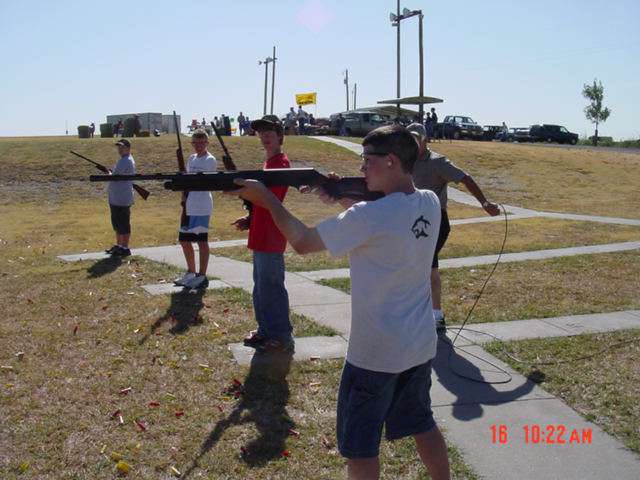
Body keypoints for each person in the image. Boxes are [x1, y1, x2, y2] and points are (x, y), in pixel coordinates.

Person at [227, 125, 451, 480]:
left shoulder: (368, 217)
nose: (361, 169)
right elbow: (383, 222)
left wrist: (267, 200)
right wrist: (336, 194)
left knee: (360, 450)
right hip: (419, 345)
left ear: (391, 161)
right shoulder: (428, 202)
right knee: (421, 423)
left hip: (374, 356)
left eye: (367, 161)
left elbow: (302, 242)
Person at [407, 123, 500, 331]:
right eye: (409, 139)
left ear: (424, 141)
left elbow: (465, 178)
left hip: (436, 222)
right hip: (412, 222)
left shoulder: (437, 162)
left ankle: (435, 315)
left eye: (416, 140)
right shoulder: (405, 161)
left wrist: (485, 203)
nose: (412, 144)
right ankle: (425, 312)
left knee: (426, 267)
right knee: (422, 266)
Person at [232, 115, 293, 353]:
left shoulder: (281, 163)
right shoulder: (270, 163)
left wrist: (241, 191)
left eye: (270, 132)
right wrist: (250, 218)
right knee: (261, 288)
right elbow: (263, 203)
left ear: (280, 136)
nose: (265, 136)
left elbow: (271, 200)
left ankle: (281, 336)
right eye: (261, 133)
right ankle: (266, 331)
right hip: (261, 234)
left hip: (271, 235)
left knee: (272, 287)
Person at [173, 130, 217, 290]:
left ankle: (202, 275)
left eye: (202, 143)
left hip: (201, 205)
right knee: (184, 240)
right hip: (189, 204)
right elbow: (186, 180)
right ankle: (191, 272)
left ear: (207, 143)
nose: (198, 146)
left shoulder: (209, 160)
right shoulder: (191, 158)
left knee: (201, 241)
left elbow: (201, 181)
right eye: (195, 143)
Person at [105, 139, 135, 256]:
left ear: (128, 148)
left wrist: (109, 174)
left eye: (122, 147)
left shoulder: (125, 160)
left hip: (121, 198)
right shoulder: (124, 160)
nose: (120, 149)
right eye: (119, 147)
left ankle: (124, 247)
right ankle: (119, 246)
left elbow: (115, 177)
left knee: (123, 224)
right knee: (117, 224)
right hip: (117, 197)